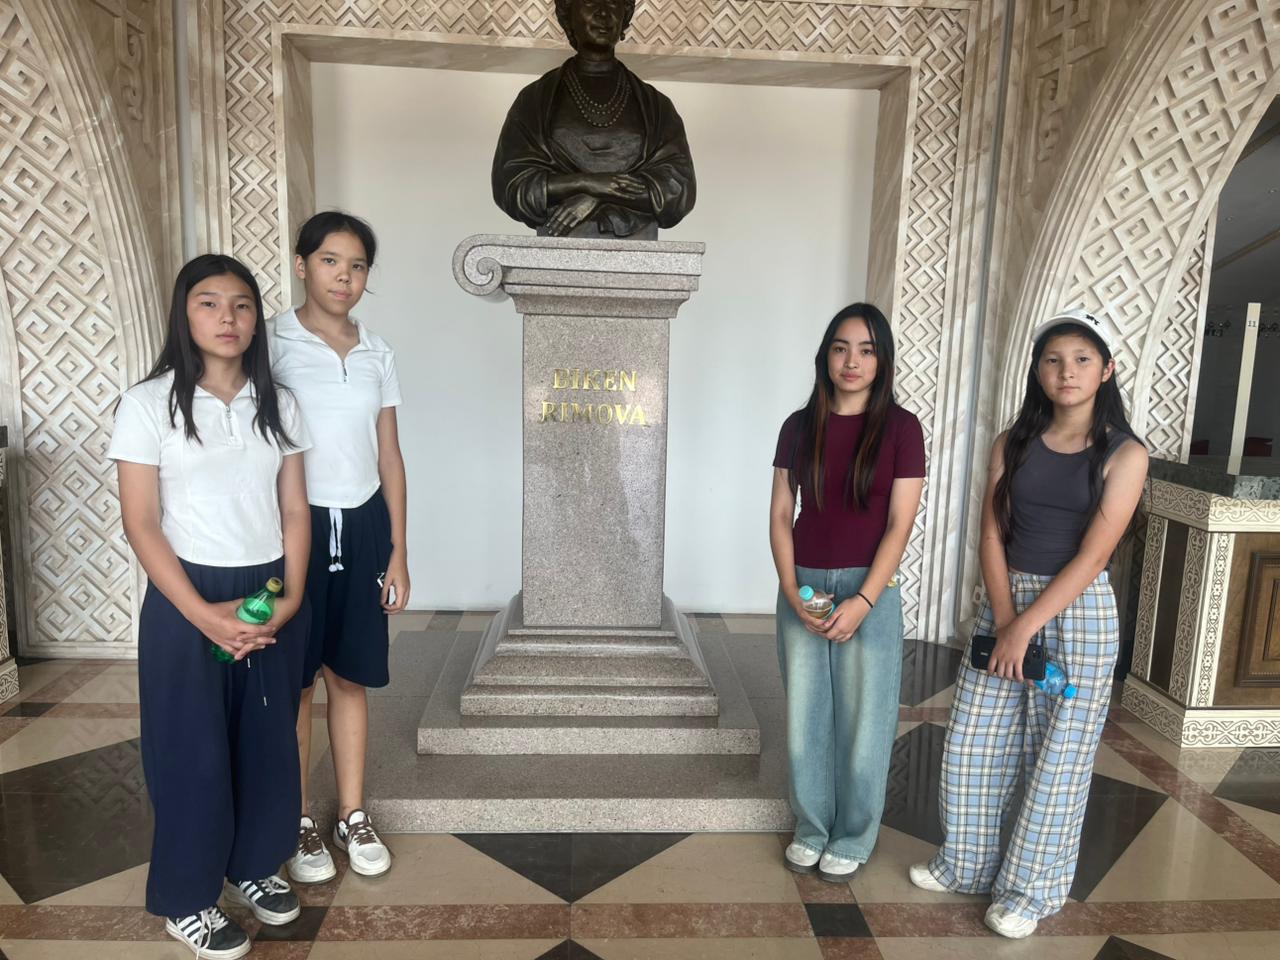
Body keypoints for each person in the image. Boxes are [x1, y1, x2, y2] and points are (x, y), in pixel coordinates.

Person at [909, 308, 1148, 938]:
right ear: (1038, 371)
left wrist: (1024, 628)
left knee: (1058, 757)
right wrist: (1006, 618)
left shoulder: (1125, 454)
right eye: (1053, 360)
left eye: (1082, 360)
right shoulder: (1011, 442)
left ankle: (1029, 892)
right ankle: (967, 865)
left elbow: (1094, 556)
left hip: (1079, 611)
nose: (1067, 372)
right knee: (973, 741)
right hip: (1005, 599)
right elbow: (991, 533)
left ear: (1106, 370)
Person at [110, 254, 311, 959]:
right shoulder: (148, 404)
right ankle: (187, 898)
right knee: (191, 749)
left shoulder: (278, 403)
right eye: (209, 303)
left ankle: (253, 864)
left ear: (256, 320)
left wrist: (288, 599)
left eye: (242, 305)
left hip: (266, 588)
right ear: (184, 314)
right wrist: (204, 615)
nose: (228, 317)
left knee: (265, 739)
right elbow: (141, 521)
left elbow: (294, 508)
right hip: (185, 594)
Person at [270, 211, 408, 883]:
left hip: (362, 525)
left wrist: (399, 549)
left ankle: (352, 813)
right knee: (296, 682)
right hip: (291, 526)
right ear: (302, 265)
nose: (343, 277)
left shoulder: (378, 352)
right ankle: (296, 820)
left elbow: (389, 455)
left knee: (350, 676)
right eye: (330, 261)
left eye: (356, 266)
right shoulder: (270, 343)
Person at [770, 303, 926, 882]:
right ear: (826, 357)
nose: (852, 361)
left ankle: (854, 836)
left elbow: (900, 523)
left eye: (866, 350)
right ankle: (812, 827)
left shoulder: (902, 429)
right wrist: (791, 590)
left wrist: (863, 601)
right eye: (840, 348)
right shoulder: (798, 426)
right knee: (806, 718)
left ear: (882, 360)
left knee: (866, 723)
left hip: (870, 588)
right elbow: (781, 512)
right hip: (806, 582)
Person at [491, 0, 696, 238]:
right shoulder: (534, 101)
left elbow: (679, 189)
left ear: (625, 16)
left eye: (613, 2)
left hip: (639, 243)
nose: (603, 12)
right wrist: (585, 183)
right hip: (558, 242)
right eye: (589, 2)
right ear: (567, 16)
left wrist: (597, 196)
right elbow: (510, 185)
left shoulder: (657, 106)